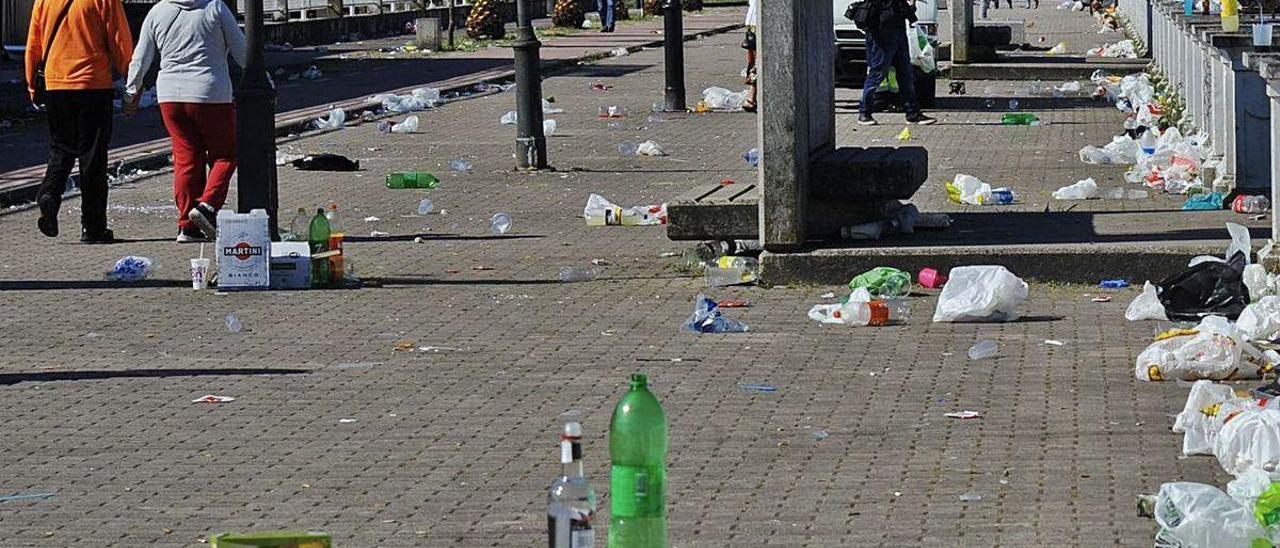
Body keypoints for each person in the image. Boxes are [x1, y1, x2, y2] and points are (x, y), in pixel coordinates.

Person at [124, 0, 246, 242]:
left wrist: (131, 91)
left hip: (169, 96)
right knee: (227, 154)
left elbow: (141, 56)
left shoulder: (158, 11)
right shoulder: (216, 8)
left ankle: (187, 227)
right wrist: (262, 78)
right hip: (210, 93)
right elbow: (242, 51)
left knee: (187, 159)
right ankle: (206, 207)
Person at [25, 0, 133, 243]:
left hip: (56, 84)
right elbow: (119, 40)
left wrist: (33, 84)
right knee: (93, 156)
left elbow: (34, 43)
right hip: (93, 84)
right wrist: (132, 80)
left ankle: (49, 194)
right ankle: (93, 227)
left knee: (61, 148)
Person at [857, 0, 937, 126]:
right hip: (881, 30)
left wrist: (909, 6)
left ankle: (913, 113)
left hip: (896, 27)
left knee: (905, 74)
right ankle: (864, 112)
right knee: (877, 73)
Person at [742, 0, 758, 112]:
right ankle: (752, 95)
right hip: (752, 23)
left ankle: (752, 96)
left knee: (757, 62)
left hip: (760, 22)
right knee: (753, 62)